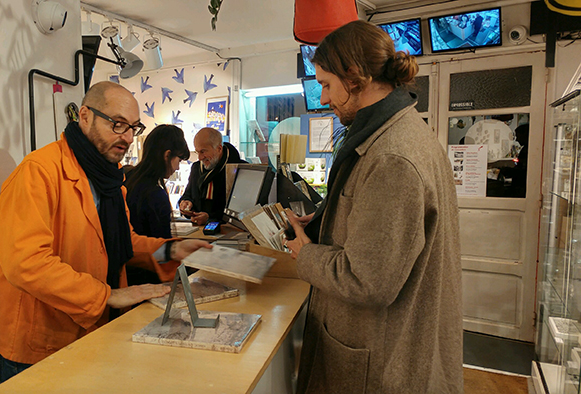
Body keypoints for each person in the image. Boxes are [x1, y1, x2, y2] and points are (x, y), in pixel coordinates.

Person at [285, 20, 463, 394]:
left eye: (326, 84)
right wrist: (325, 221)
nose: (323, 98)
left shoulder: (392, 156)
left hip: (381, 362)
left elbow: (367, 281)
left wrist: (305, 253)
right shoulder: (398, 132)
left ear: (355, 77)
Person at [0, 81, 209, 382]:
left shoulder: (109, 179)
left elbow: (120, 242)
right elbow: (25, 262)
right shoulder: (39, 171)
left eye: (133, 128)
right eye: (118, 124)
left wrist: (171, 249)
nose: (127, 138)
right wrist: (107, 295)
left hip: (95, 332)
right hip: (42, 345)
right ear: (85, 116)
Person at [124, 124, 190, 285]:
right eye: (178, 160)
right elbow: (163, 252)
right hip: (146, 279)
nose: (177, 167)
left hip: (126, 274)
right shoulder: (155, 195)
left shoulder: (127, 177)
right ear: (167, 155)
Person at [178, 127, 245, 225]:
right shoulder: (196, 168)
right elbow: (188, 194)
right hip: (198, 230)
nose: (200, 158)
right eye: (197, 152)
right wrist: (186, 202)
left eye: (203, 151)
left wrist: (210, 218)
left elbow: (241, 210)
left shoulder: (240, 169)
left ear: (219, 149)